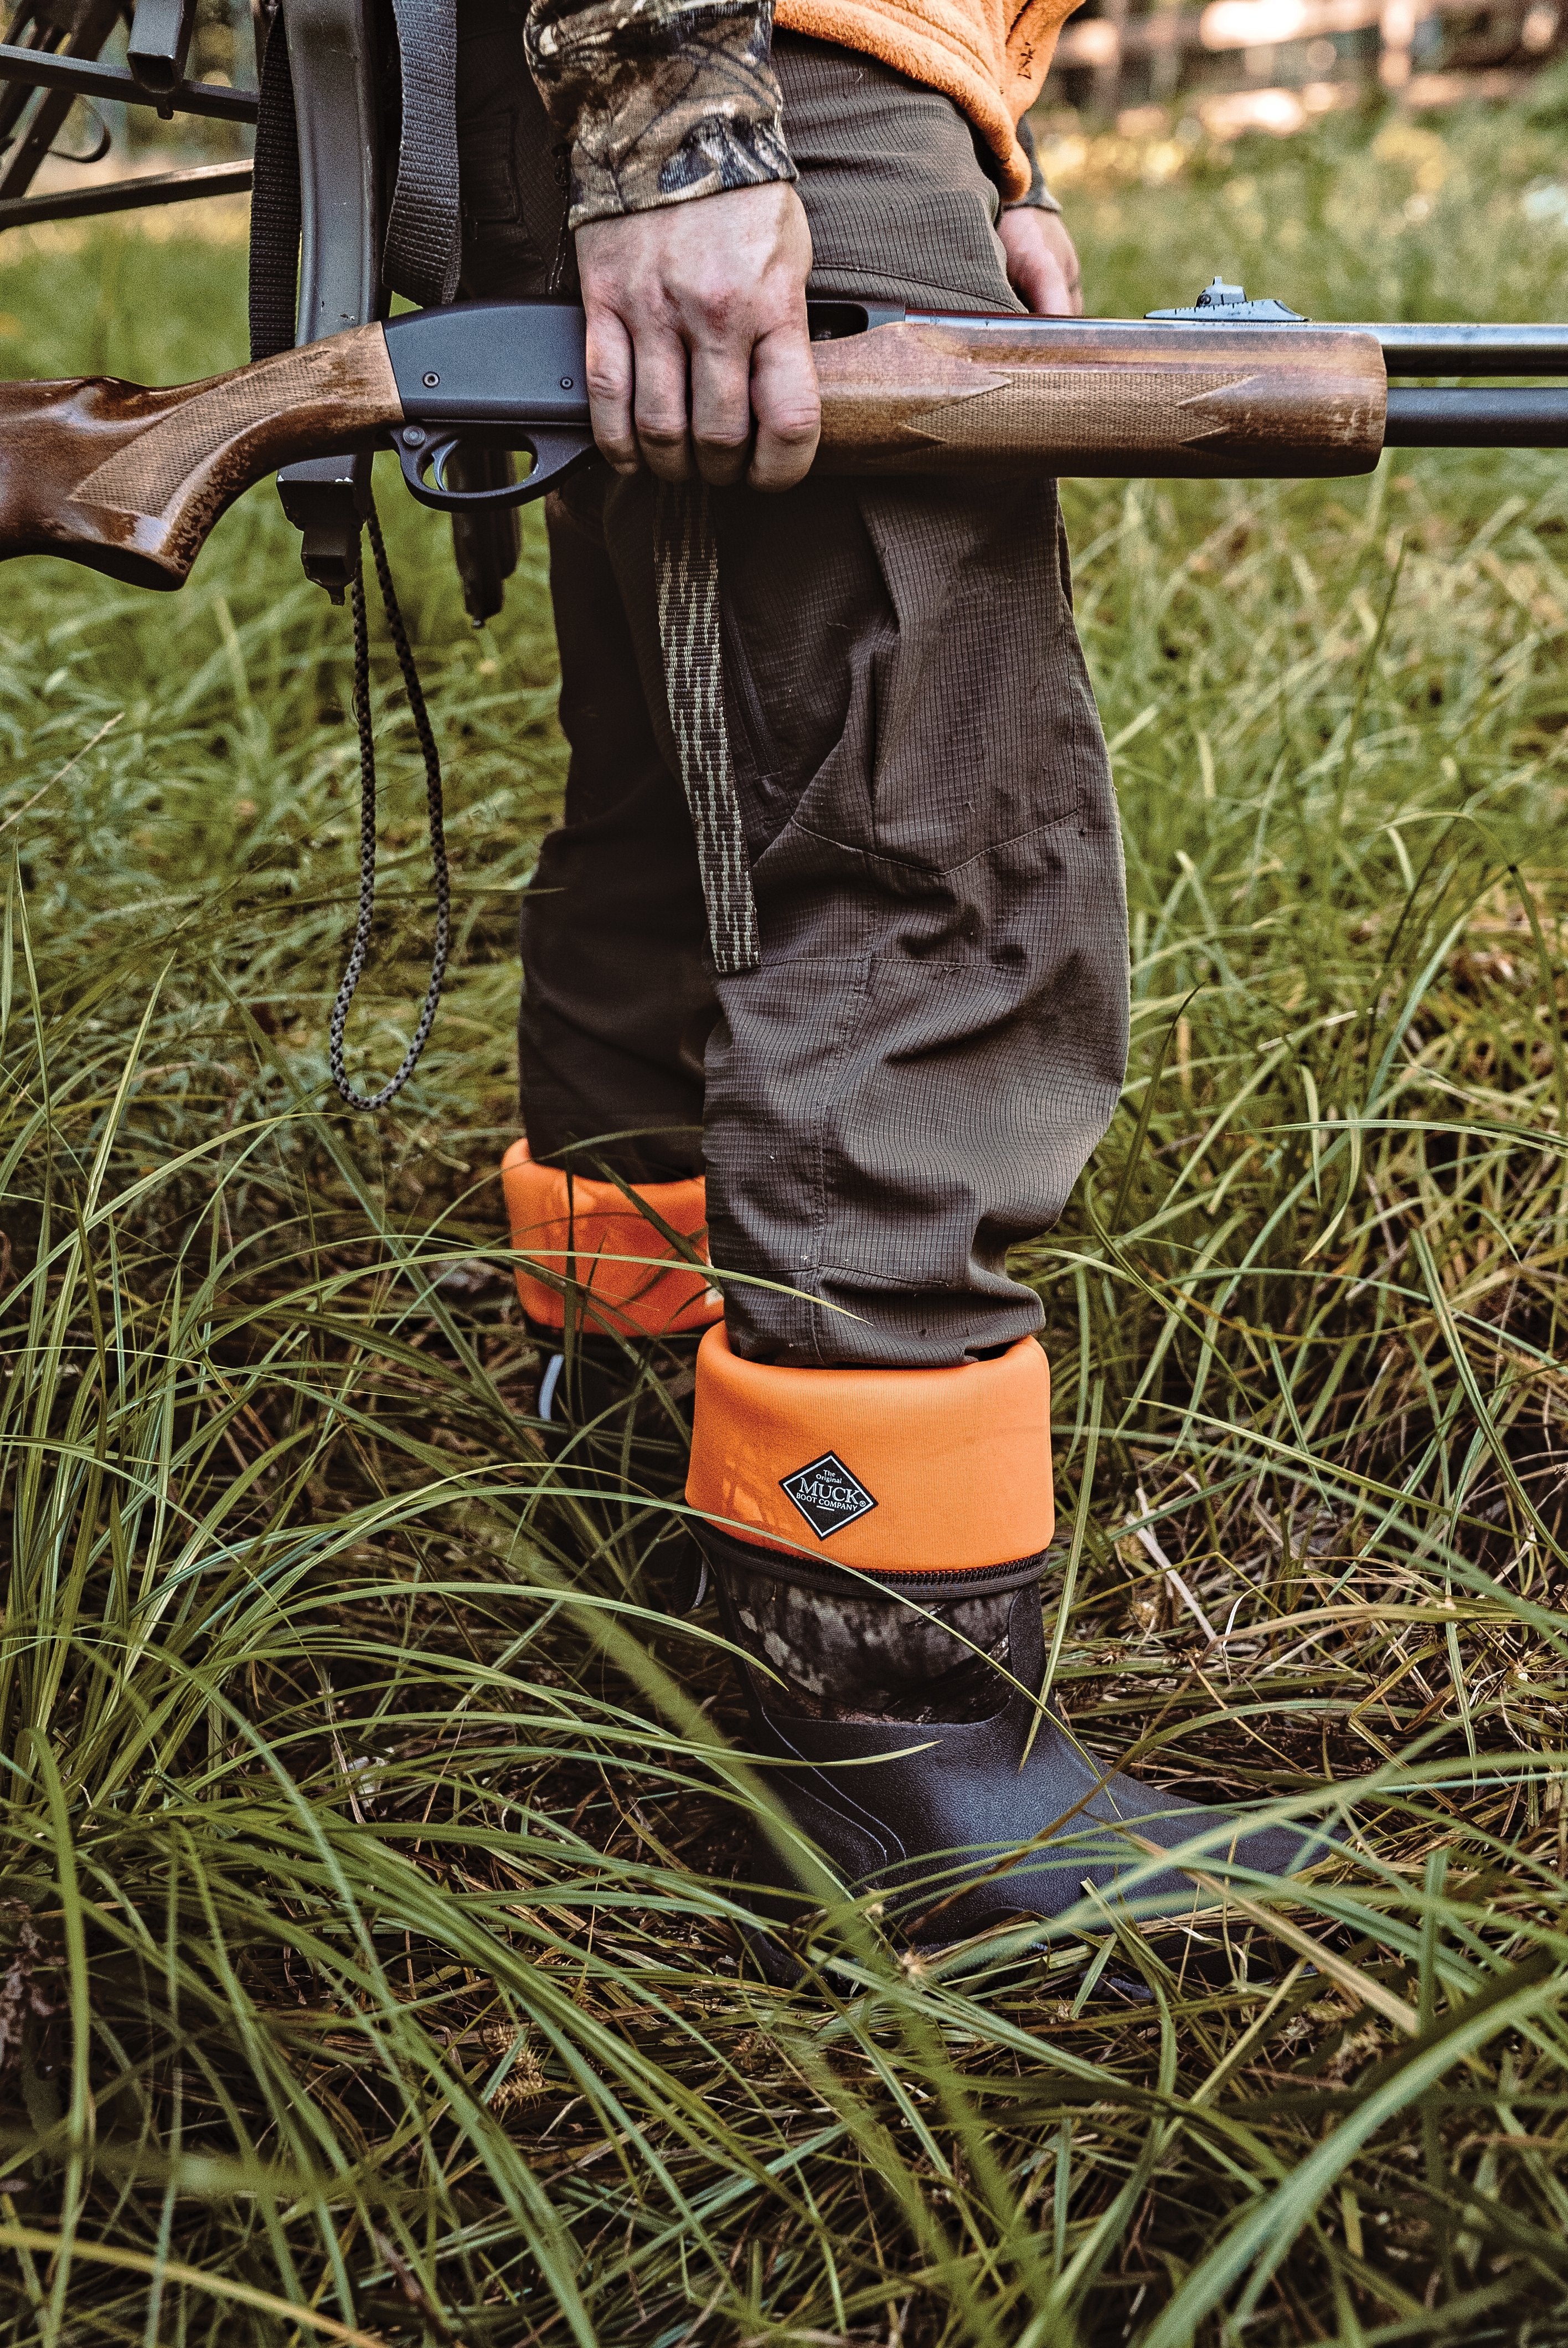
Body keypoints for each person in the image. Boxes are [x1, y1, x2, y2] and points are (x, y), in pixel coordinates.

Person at [470, 0, 1321, 1964]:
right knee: (941, 833)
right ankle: (895, 1715)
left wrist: (980, 150)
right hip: (727, 57)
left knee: (693, 793)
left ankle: (632, 1449)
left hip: (717, 67)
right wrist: (678, 119)